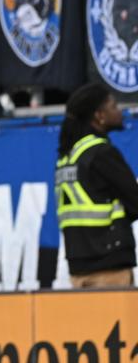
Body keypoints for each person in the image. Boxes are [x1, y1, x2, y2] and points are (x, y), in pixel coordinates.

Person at [55, 84, 138, 289]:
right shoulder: (101, 153)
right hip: (110, 267)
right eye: (113, 106)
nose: (120, 111)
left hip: (78, 268)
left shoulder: (67, 157)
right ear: (99, 116)